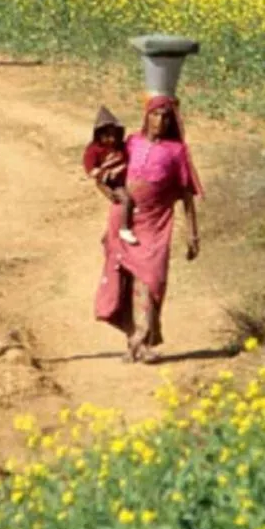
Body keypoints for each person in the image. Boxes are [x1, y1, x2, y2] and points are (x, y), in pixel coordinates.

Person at [94, 94, 200, 363]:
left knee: (150, 279)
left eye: (166, 116)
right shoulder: (132, 143)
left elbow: (187, 194)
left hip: (155, 224)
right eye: (155, 114)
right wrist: (112, 196)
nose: (160, 121)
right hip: (124, 221)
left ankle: (143, 339)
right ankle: (136, 342)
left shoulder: (177, 152)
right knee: (125, 282)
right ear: (146, 117)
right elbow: (104, 173)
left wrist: (192, 233)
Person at [82, 107, 139, 245]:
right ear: (99, 135)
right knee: (126, 200)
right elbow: (90, 169)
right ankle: (124, 229)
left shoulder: (120, 147)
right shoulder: (94, 150)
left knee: (128, 208)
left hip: (126, 178)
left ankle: (109, 235)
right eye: (106, 136)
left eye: (114, 135)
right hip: (113, 183)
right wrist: (104, 177)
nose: (111, 139)